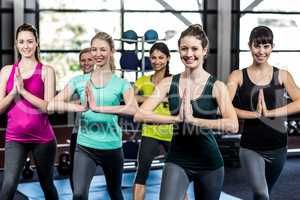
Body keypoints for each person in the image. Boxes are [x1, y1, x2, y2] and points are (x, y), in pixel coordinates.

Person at [134, 24, 238, 200]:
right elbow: (140, 115)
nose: (189, 54)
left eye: (194, 49)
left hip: (209, 163)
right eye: (184, 49)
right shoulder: (168, 83)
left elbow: (233, 125)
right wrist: (176, 119)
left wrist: (193, 120)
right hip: (177, 159)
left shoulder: (217, 87)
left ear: (205, 50)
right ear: (179, 51)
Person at [48, 31, 138, 200]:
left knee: (115, 193)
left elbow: (133, 109)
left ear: (112, 51)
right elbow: (52, 104)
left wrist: (98, 108)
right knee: (79, 194)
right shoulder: (80, 80)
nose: (98, 54)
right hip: (85, 146)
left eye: (103, 50)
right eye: (94, 49)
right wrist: (79, 107)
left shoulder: (122, 83)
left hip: (112, 147)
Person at [227, 26, 300, 200]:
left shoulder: (283, 75)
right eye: (257, 46)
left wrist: (270, 113)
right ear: (249, 46)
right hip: (251, 147)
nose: (261, 51)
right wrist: (255, 115)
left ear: (272, 47)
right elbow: (225, 107)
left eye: (266, 46)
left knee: (263, 194)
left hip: (278, 148)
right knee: (261, 193)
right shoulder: (237, 76)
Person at [0, 23, 58, 200]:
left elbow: (48, 108)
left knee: (47, 184)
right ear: (16, 45)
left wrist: (24, 91)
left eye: (30, 41)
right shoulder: (6, 71)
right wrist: (14, 92)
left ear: (37, 43)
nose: (26, 46)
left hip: (43, 139)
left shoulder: (47, 71)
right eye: (21, 42)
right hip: (15, 138)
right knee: (8, 185)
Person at [133, 42, 174, 200]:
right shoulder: (143, 80)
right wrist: (153, 98)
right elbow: (131, 98)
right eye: (154, 57)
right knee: (141, 173)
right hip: (150, 131)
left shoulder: (175, 80)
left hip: (172, 131)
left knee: (178, 173)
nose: (157, 61)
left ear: (168, 58)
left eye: (161, 57)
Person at [69, 47, 94, 192]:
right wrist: (80, 102)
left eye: (89, 59)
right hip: (79, 132)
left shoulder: (105, 80)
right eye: (83, 60)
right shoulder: (76, 82)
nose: (86, 63)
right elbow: (66, 104)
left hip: (100, 133)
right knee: (74, 170)